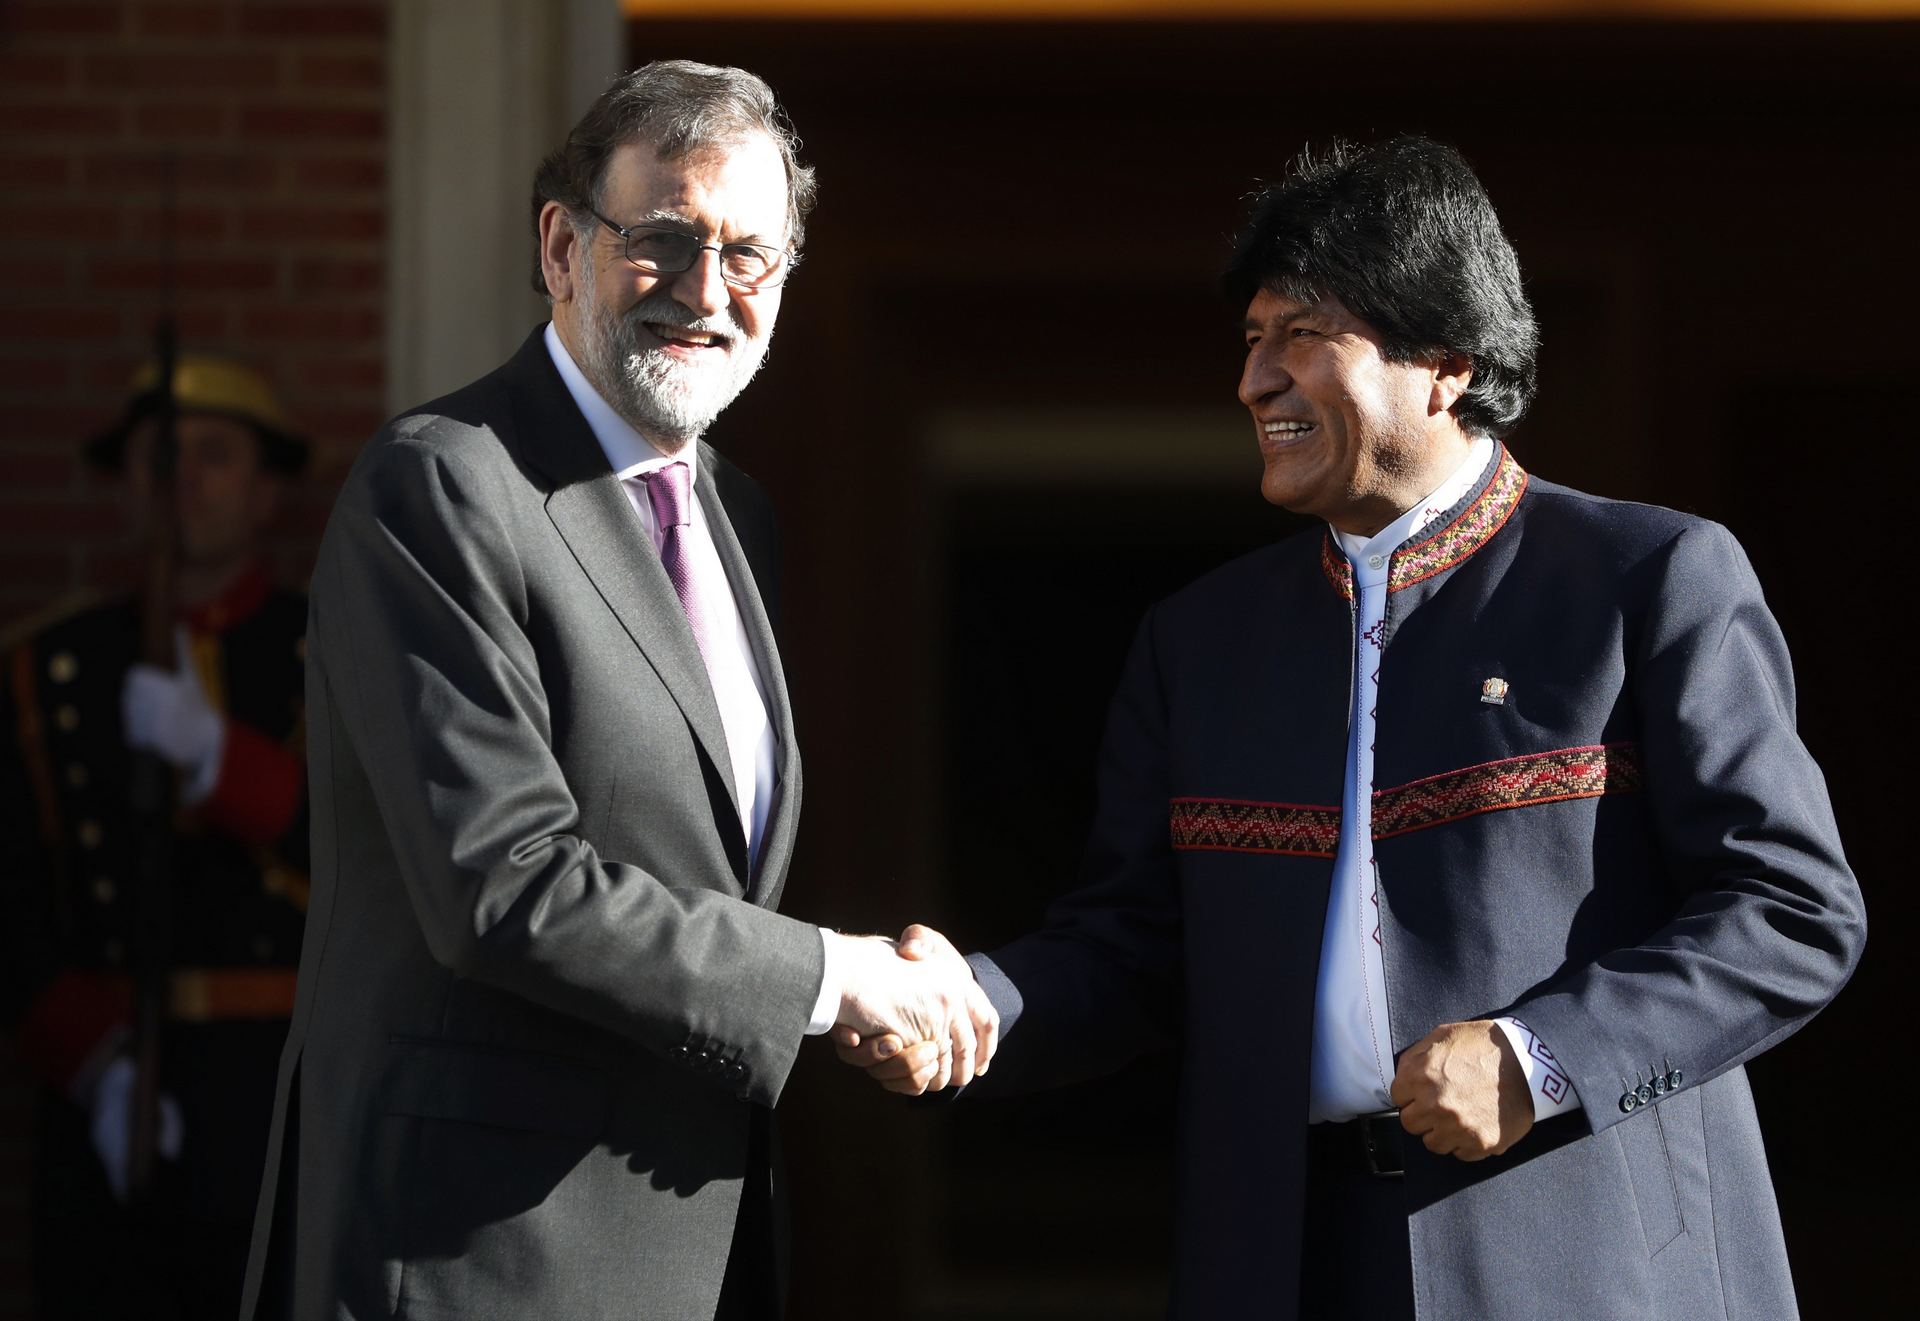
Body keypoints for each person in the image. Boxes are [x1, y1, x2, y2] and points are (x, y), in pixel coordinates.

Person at [837, 137, 1865, 1319]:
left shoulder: (1648, 578)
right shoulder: (1201, 640)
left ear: (1444, 362)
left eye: (1303, 334)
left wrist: (1543, 1059)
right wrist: (965, 1010)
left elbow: (1792, 913)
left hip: (1586, 1258)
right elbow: (1130, 951)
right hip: (1286, 1260)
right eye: (1250, 339)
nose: (1256, 380)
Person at [239, 60, 992, 1321]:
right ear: (562, 246)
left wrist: (833, 992)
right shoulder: (441, 486)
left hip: (682, 1243)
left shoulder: (734, 514)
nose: (708, 292)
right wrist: (826, 978)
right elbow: (504, 883)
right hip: (477, 1251)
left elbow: (692, 869)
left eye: (752, 254)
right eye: (663, 240)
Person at [0, 354, 311, 1319]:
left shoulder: (334, 645)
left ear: (265, 491)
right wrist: (93, 1064)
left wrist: (220, 759)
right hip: (105, 1084)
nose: (182, 478)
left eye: (214, 455)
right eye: (156, 457)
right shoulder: (45, 664)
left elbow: (381, 854)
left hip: (282, 1081)